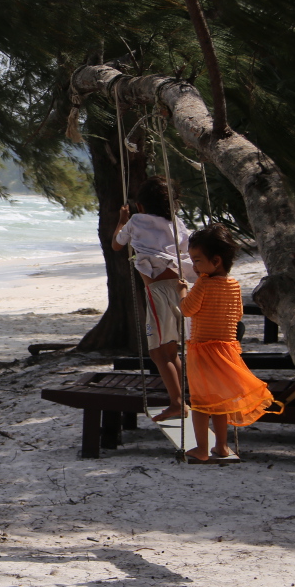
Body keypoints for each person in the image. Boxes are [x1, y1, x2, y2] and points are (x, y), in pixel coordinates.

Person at [179, 224, 279, 461]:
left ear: (216, 261)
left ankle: (201, 449)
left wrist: (182, 291)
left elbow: (187, 309)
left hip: (203, 351)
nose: (194, 266)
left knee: (200, 402)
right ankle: (221, 447)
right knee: (220, 400)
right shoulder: (234, 285)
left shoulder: (203, 284)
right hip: (226, 350)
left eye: (197, 261)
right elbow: (238, 314)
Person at [112, 176, 192, 421]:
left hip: (158, 291)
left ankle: (177, 403)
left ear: (141, 206)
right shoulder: (177, 223)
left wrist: (122, 220)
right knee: (172, 351)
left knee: (158, 352)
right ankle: (183, 400)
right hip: (182, 288)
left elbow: (116, 244)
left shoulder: (136, 220)